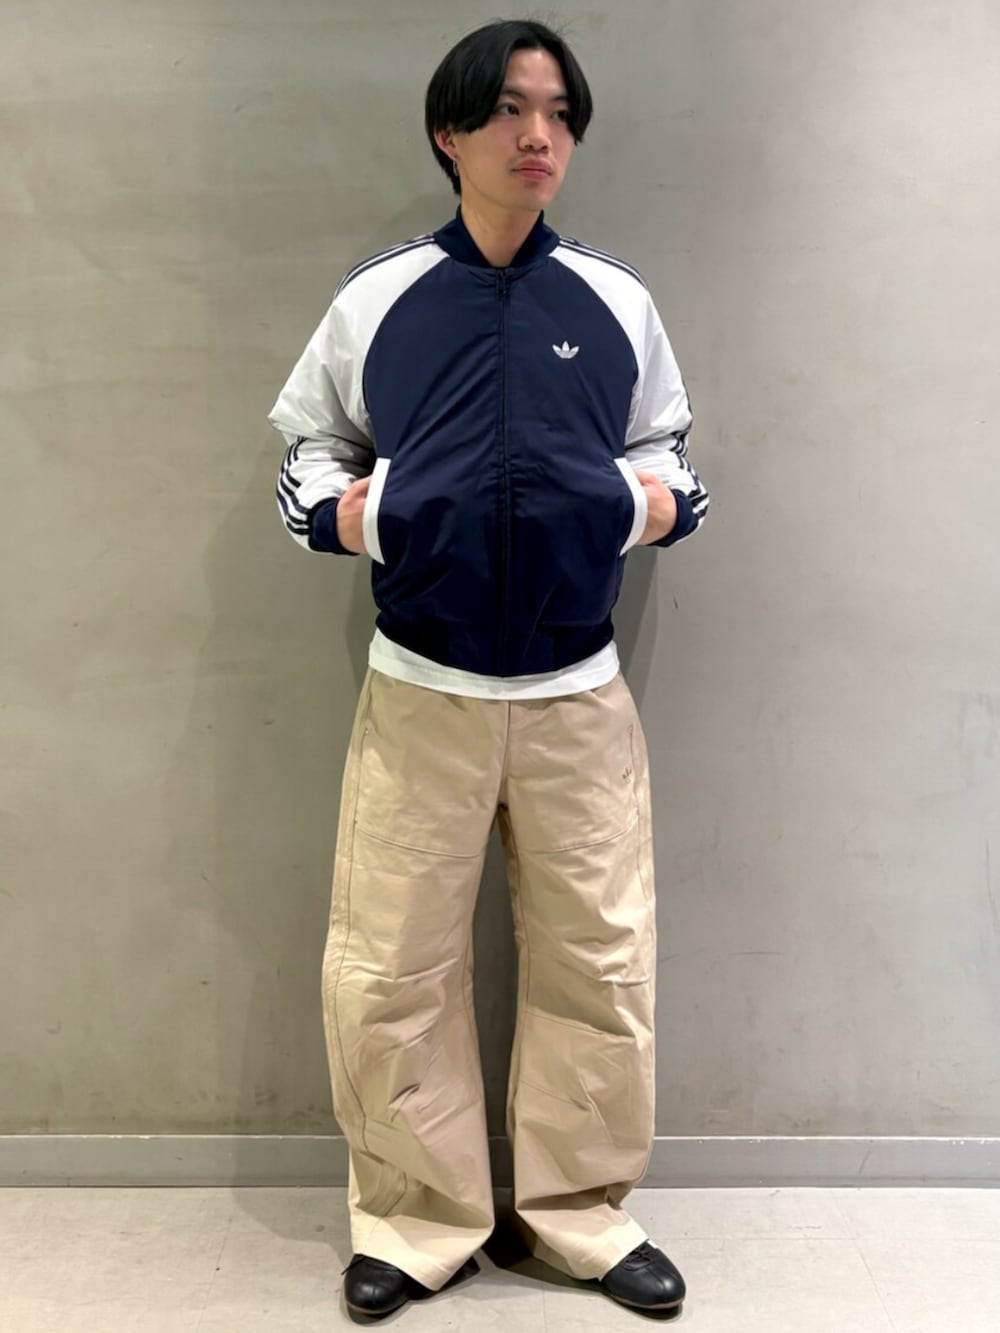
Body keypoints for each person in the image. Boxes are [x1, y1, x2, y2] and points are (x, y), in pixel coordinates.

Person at [268, 17, 709, 1323]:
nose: (539, 136)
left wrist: (635, 506)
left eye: (560, 114)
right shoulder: (380, 299)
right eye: (511, 110)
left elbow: (673, 457)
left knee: (600, 961)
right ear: (448, 131)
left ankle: (582, 1215)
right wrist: (359, 517)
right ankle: (417, 1223)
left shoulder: (616, 301)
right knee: (392, 964)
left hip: (578, 695)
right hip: (424, 687)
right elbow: (307, 452)